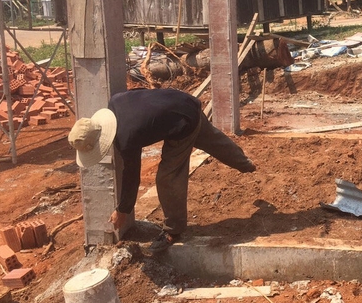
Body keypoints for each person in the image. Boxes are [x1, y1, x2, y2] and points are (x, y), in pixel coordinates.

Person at [67, 88, 256, 253]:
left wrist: (122, 210)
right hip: (184, 102)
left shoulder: (126, 138)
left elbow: (132, 176)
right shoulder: (116, 101)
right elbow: (146, 98)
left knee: (167, 177)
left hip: (183, 124)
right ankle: (245, 163)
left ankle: (173, 230)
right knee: (211, 139)